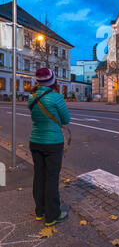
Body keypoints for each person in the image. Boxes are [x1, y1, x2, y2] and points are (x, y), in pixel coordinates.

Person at [28, 68, 70, 226]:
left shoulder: (31, 97)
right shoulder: (56, 97)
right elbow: (66, 119)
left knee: (39, 176)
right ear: (53, 81)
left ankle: (40, 211)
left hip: (35, 141)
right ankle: (52, 215)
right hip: (53, 143)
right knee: (52, 178)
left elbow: (37, 115)